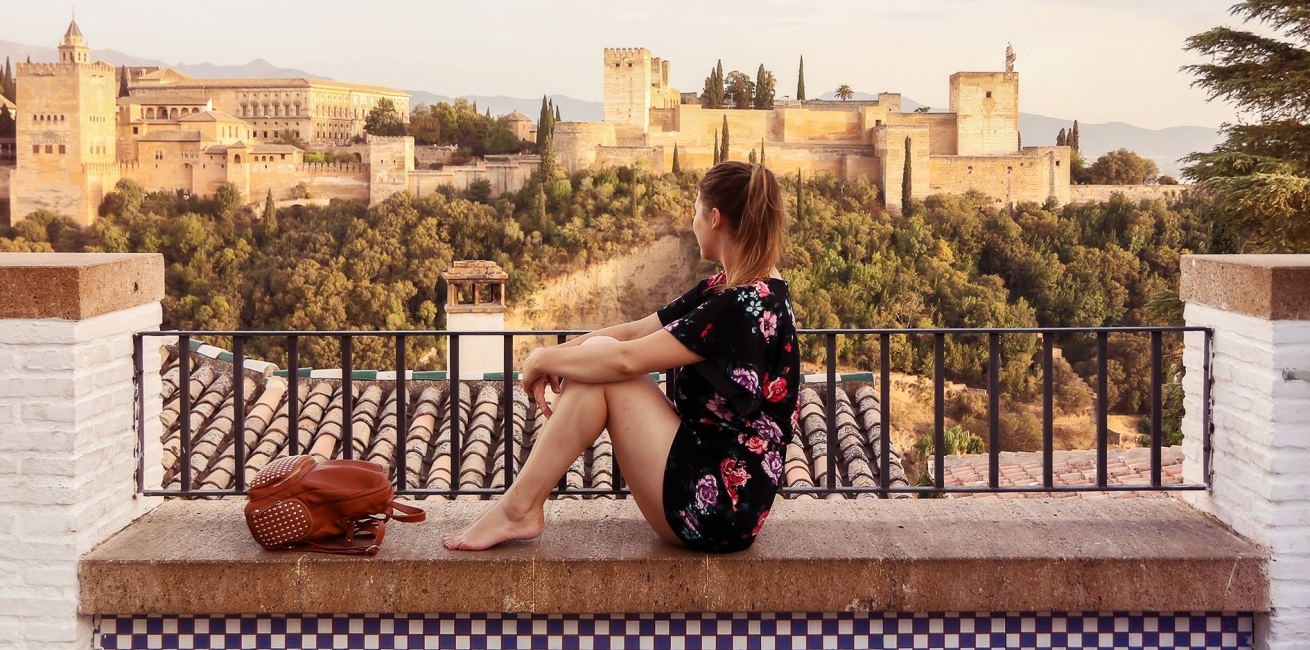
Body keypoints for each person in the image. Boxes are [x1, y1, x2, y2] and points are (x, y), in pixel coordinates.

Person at [442, 161, 800, 553]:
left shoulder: (741, 304)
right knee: (597, 359)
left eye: (695, 211)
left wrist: (542, 360)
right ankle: (519, 507)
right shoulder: (737, 290)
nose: (692, 221)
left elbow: (626, 360)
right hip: (719, 484)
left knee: (604, 368)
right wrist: (554, 355)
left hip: (718, 506)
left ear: (714, 218)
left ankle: (518, 508)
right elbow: (632, 332)